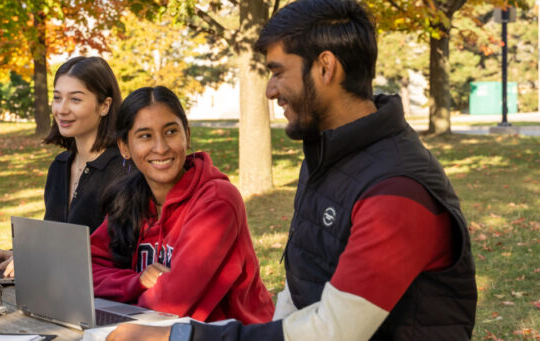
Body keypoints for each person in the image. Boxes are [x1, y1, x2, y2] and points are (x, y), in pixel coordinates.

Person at [106, 1, 476, 340]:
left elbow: (332, 333)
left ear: (325, 67)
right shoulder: (327, 157)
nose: (269, 90)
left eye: (278, 72)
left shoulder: (395, 191)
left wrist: (180, 336)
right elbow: (297, 300)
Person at [91, 86, 274, 323]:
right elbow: (84, 271)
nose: (161, 147)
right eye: (145, 136)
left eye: (170, 132)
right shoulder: (131, 198)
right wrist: (136, 282)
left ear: (186, 136)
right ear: (125, 147)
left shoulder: (216, 201)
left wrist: (118, 306)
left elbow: (171, 303)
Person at [0, 56, 127, 278]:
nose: (62, 109)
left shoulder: (122, 170)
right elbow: (55, 241)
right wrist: (18, 253)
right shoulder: (59, 166)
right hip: (57, 291)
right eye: (57, 98)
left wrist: (37, 258)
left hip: (101, 297)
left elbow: (117, 254)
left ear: (104, 106)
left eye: (75, 100)